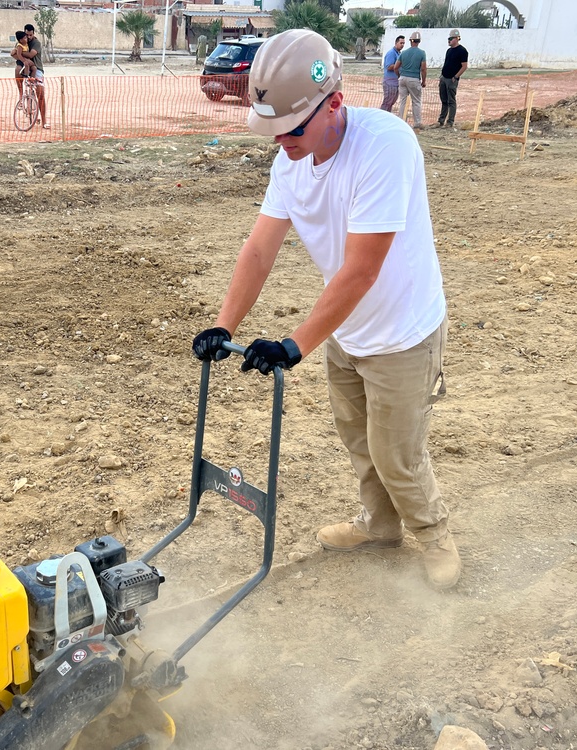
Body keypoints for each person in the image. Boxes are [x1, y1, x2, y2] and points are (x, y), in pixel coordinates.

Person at [192, 29, 460, 590]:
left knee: (397, 453)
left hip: (403, 332)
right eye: (272, 130)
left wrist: (294, 344)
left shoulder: (386, 146)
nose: (279, 142)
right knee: (360, 440)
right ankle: (381, 525)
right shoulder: (291, 161)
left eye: (290, 129)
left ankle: (434, 534)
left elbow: (362, 270)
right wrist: (224, 324)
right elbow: (260, 248)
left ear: (334, 102)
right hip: (348, 329)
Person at [435, 29, 468, 128]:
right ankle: (441, 120)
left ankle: (450, 122)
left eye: (451, 38)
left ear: (457, 39)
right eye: (448, 38)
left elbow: (464, 66)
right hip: (444, 78)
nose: (449, 40)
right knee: (444, 100)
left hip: (452, 79)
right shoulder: (449, 50)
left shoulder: (462, 51)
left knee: (451, 101)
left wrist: (456, 76)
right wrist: (442, 76)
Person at [395, 30, 426, 130]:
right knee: (416, 101)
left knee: (403, 101)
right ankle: (417, 122)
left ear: (410, 41)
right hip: (414, 79)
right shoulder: (422, 53)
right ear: (419, 41)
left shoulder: (404, 53)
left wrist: (399, 75)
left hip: (403, 78)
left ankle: (401, 121)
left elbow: (396, 67)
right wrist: (423, 81)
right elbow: (423, 69)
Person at [23, 23, 50, 130]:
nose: (29, 37)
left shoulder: (36, 43)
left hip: (37, 70)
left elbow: (30, 55)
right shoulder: (22, 42)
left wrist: (18, 53)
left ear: (33, 34)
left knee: (41, 95)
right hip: (27, 69)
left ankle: (44, 121)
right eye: (27, 35)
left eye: (30, 35)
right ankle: (22, 101)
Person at [380, 34, 405, 112]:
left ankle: (386, 116)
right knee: (387, 102)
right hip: (390, 82)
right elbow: (389, 66)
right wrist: (399, 65)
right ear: (396, 43)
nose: (402, 45)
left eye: (403, 43)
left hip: (395, 81)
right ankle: (381, 116)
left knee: (391, 102)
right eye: (401, 43)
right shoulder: (391, 53)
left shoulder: (399, 53)